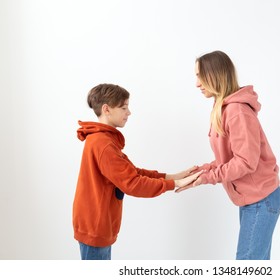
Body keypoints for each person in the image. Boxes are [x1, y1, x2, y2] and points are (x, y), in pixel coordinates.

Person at [73, 83, 201, 260]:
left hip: (98, 224)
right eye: (124, 107)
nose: (129, 112)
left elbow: (131, 172)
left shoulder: (103, 139)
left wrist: (171, 176)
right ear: (106, 109)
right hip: (95, 226)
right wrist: (174, 184)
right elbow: (132, 183)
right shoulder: (103, 144)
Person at [176, 51, 280, 260]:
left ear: (215, 75)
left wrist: (205, 178)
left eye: (200, 76)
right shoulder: (223, 109)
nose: (197, 83)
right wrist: (201, 171)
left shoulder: (237, 111)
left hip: (261, 199)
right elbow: (231, 157)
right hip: (252, 199)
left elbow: (245, 162)